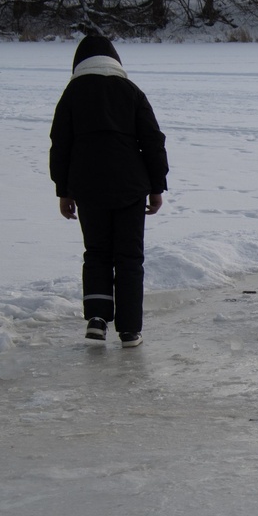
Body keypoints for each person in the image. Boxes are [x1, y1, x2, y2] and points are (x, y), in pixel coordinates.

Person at [49, 35, 168, 348]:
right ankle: (129, 330)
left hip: (87, 186)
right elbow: (153, 141)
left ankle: (97, 320)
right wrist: (156, 187)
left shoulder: (72, 93)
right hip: (131, 186)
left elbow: (60, 144)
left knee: (97, 253)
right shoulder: (131, 92)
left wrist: (64, 190)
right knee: (130, 257)